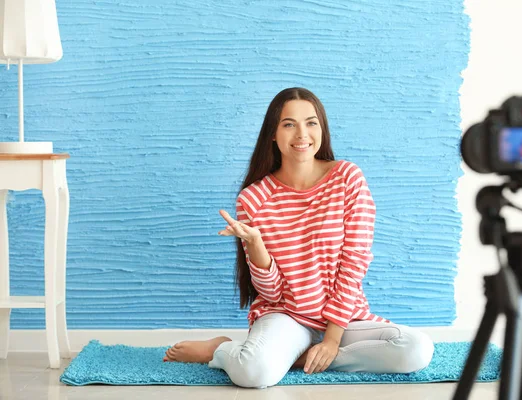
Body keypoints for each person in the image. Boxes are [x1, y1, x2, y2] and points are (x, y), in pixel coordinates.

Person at [163, 87, 434, 388]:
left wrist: (331, 341)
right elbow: (273, 294)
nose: (302, 133)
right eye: (289, 124)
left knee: (416, 350)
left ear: (322, 129)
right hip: (287, 316)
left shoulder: (347, 179)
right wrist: (256, 245)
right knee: (252, 373)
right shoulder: (253, 199)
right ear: (273, 135)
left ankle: (298, 358)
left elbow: (353, 264)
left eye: (311, 122)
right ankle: (222, 349)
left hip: (342, 320)